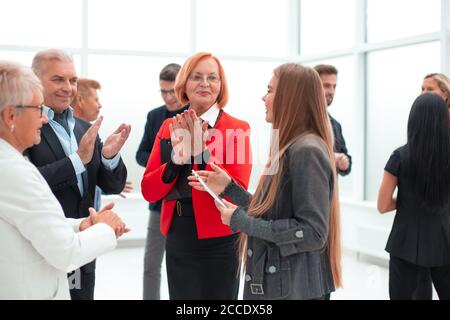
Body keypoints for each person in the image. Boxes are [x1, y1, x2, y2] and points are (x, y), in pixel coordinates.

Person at [189, 63, 342, 300]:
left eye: (270, 91)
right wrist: (230, 188)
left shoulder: (306, 151)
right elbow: (275, 210)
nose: (264, 97)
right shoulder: (290, 146)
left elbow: (313, 232)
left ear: (289, 98)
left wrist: (241, 221)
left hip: (293, 289)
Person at [0, 60, 129, 299]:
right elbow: (66, 251)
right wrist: (106, 228)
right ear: (10, 116)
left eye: (73, 81)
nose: (43, 118)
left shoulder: (84, 128)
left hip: (73, 246)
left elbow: (26, 216)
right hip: (50, 262)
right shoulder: (14, 167)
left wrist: (82, 224)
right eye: (37, 109)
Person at [141, 52, 252, 300]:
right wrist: (175, 162)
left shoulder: (237, 128)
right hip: (179, 235)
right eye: (197, 77)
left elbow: (237, 193)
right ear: (184, 84)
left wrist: (200, 152)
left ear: (221, 86)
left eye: (212, 78)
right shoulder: (169, 127)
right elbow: (149, 190)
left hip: (222, 237)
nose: (205, 83)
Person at [377, 93, 450, 300]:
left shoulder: (399, 156)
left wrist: (409, 202)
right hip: (445, 241)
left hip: (405, 244)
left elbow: (382, 205)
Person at [136, 63, 184, 300]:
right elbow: (141, 154)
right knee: (151, 264)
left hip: (188, 207)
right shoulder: (155, 116)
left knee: (184, 266)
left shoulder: (196, 117)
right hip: (159, 203)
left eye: (171, 91)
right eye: (163, 92)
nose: (167, 97)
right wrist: (164, 163)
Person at [72, 78, 133, 211]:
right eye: (96, 100)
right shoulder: (67, 139)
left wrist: (107, 181)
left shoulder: (92, 134)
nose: (100, 105)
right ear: (80, 100)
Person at [314, 64, 351, 176]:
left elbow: (345, 158)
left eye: (334, 86)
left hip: (329, 191)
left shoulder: (335, 125)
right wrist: (328, 157)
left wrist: (345, 162)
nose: (331, 92)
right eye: (326, 86)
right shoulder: (298, 121)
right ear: (313, 86)